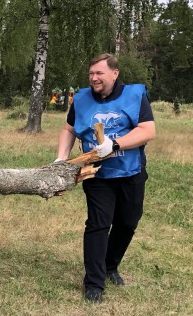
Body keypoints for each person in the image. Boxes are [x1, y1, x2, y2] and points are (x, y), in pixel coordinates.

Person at [55, 53, 155, 303]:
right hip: (97, 173)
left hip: (131, 171)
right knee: (98, 224)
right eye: (91, 73)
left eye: (99, 73)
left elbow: (147, 130)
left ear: (115, 73)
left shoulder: (134, 95)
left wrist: (115, 144)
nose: (94, 78)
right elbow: (69, 129)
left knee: (127, 222)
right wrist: (61, 158)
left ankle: (110, 266)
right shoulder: (81, 99)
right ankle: (93, 283)